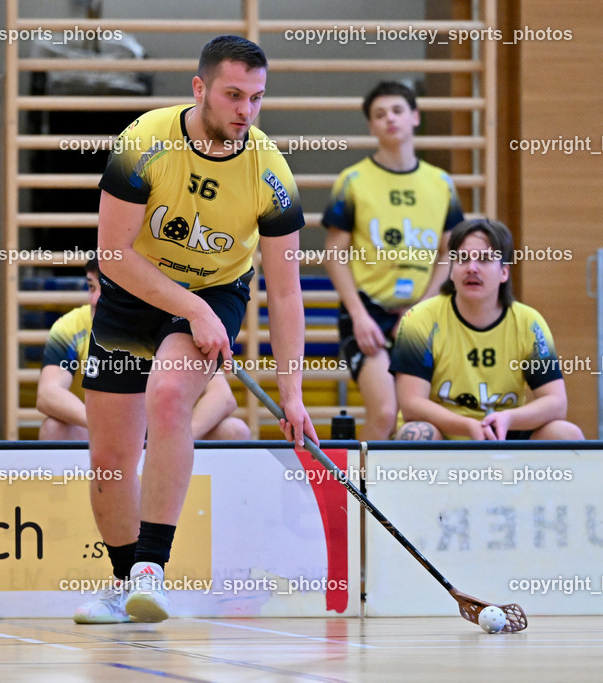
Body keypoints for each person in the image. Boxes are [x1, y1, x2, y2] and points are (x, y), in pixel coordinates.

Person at [75, 35, 316, 625]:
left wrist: (292, 393)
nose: (246, 111)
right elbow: (112, 254)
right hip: (135, 291)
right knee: (109, 456)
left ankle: (152, 569)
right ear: (200, 88)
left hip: (218, 290)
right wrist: (188, 307)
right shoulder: (144, 143)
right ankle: (123, 583)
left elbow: (285, 293)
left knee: (167, 395)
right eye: (234, 95)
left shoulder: (271, 173)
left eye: (257, 98)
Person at [321, 81, 465, 441]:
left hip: (423, 312)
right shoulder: (352, 181)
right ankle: (359, 496)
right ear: (371, 126)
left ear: (415, 117)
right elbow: (333, 255)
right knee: (385, 412)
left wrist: (422, 308)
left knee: (424, 416)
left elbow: (451, 252)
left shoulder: (441, 183)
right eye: (380, 114)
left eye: (398, 111)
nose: (390, 120)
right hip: (368, 312)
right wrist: (358, 315)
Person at [390, 219, 583, 441]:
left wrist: (508, 418)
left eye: (484, 259)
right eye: (462, 259)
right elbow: (412, 404)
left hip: (503, 433)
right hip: (444, 433)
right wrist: (467, 426)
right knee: (415, 435)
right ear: (451, 271)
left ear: (504, 272)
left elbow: (557, 403)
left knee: (566, 434)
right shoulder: (419, 319)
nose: (472, 267)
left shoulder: (529, 323)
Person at [37, 259, 250, 441]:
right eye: (92, 287)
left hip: (165, 429)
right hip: (108, 431)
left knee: (235, 431)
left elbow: (223, 397)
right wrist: (104, 426)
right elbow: (48, 393)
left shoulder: (170, 320)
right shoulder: (70, 326)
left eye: (106, 288)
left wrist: (175, 439)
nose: (95, 299)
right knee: (53, 428)